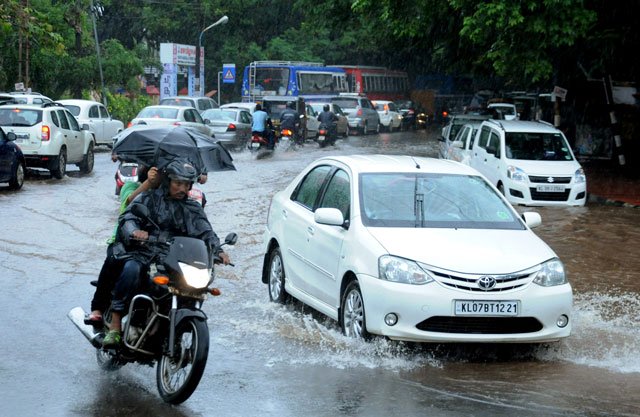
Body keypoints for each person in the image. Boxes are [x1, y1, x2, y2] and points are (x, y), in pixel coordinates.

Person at [102, 159, 231, 347]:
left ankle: (173, 332)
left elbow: (205, 231)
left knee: (195, 286)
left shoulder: (193, 208)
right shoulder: (149, 198)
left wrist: (218, 250)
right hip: (144, 252)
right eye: (178, 183)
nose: (182, 188)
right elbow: (128, 217)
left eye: (186, 184)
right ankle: (115, 325)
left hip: (173, 257)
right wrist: (134, 231)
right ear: (167, 181)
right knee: (132, 269)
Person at [85, 164, 161, 326]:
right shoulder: (130, 186)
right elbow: (130, 200)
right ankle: (98, 307)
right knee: (114, 260)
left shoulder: (167, 196)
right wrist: (149, 183)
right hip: (124, 240)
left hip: (154, 246)